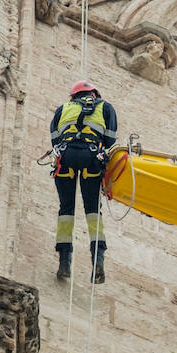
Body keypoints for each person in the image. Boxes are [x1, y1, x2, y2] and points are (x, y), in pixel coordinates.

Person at [49, 81, 118, 283]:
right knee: (92, 210)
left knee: (66, 209)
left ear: (73, 96)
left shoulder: (62, 109)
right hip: (91, 157)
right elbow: (110, 140)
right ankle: (98, 259)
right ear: (94, 94)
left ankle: (64, 261)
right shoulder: (105, 107)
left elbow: (55, 139)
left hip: (65, 157)